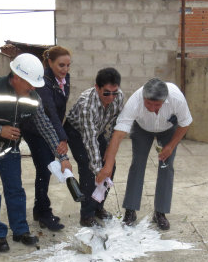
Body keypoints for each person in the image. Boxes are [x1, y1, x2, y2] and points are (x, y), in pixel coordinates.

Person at [0, 53, 72, 253]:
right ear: (16, 77)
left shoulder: (33, 97)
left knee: (15, 190)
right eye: (29, 83)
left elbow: (46, 128)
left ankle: (20, 230)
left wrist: (63, 157)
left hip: (8, 149)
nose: (33, 88)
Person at [96, 78, 192, 230]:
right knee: (137, 165)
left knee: (166, 167)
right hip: (142, 128)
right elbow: (118, 134)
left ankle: (160, 212)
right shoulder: (134, 102)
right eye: (149, 104)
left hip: (168, 129)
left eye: (157, 105)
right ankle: (130, 210)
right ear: (143, 98)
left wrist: (171, 146)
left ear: (165, 100)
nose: (153, 108)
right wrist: (108, 165)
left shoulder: (176, 98)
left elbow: (185, 123)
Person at [63, 67, 124, 227]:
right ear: (97, 88)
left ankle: (98, 206)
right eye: (106, 93)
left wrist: (109, 154)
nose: (111, 97)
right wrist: (99, 170)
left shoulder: (118, 97)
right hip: (76, 132)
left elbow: (116, 125)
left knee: (111, 168)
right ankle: (87, 215)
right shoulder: (86, 106)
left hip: (98, 130)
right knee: (89, 170)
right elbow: (89, 140)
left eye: (114, 92)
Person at [21, 46, 71, 231]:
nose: (65, 69)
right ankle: (43, 212)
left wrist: (60, 135)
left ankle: (39, 209)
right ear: (49, 63)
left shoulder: (64, 79)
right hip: (34, 129)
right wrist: (61, 138)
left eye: (68, 65)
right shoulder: (43, 82)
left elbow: (60, 109)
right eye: (61, 65)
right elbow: (50, 110)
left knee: (46, 168)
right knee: (45, 168)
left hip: (51, 126)